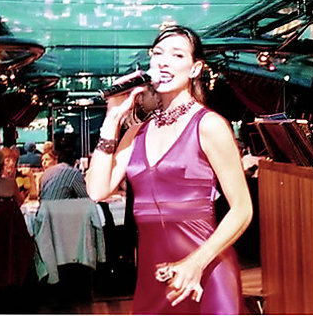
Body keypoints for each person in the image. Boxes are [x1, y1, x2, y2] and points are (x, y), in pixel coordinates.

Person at [86, 25, 252, 314]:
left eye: (177, 55)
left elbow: (242, 209)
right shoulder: (136, 133)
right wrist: (112, 119)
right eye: (158, 54)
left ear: (195, 68)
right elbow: (97, 190)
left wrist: (196, 263)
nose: (164, 62)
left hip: (206, 273)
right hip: (155, 279)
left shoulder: (209, 125)